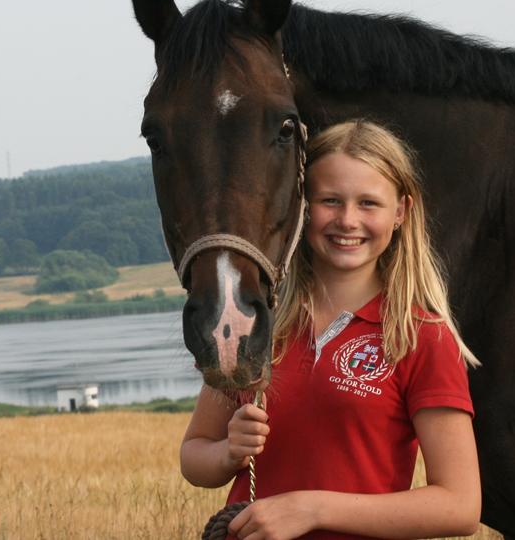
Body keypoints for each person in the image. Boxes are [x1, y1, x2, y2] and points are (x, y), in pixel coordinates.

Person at [180, 120, 481, 540]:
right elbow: (194, 455)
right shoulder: (255, 324)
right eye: (330, 200)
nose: (347, 220)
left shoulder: (420, 336)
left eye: (368, 203)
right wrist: (228, 452)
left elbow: (459, 505)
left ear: (401, 212)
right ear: (301, 207)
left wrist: (311, 509)